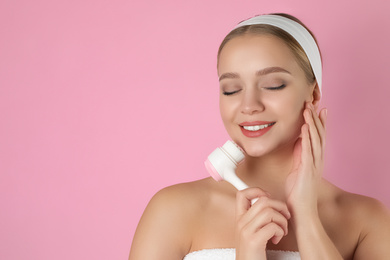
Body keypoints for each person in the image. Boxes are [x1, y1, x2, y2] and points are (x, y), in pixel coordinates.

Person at [129, 13, 390, 260]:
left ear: (312, 94)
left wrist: (307, 216)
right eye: (231, 90)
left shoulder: (366, 221)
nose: (249, 105)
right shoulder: (173, 210)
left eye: (273, 85)